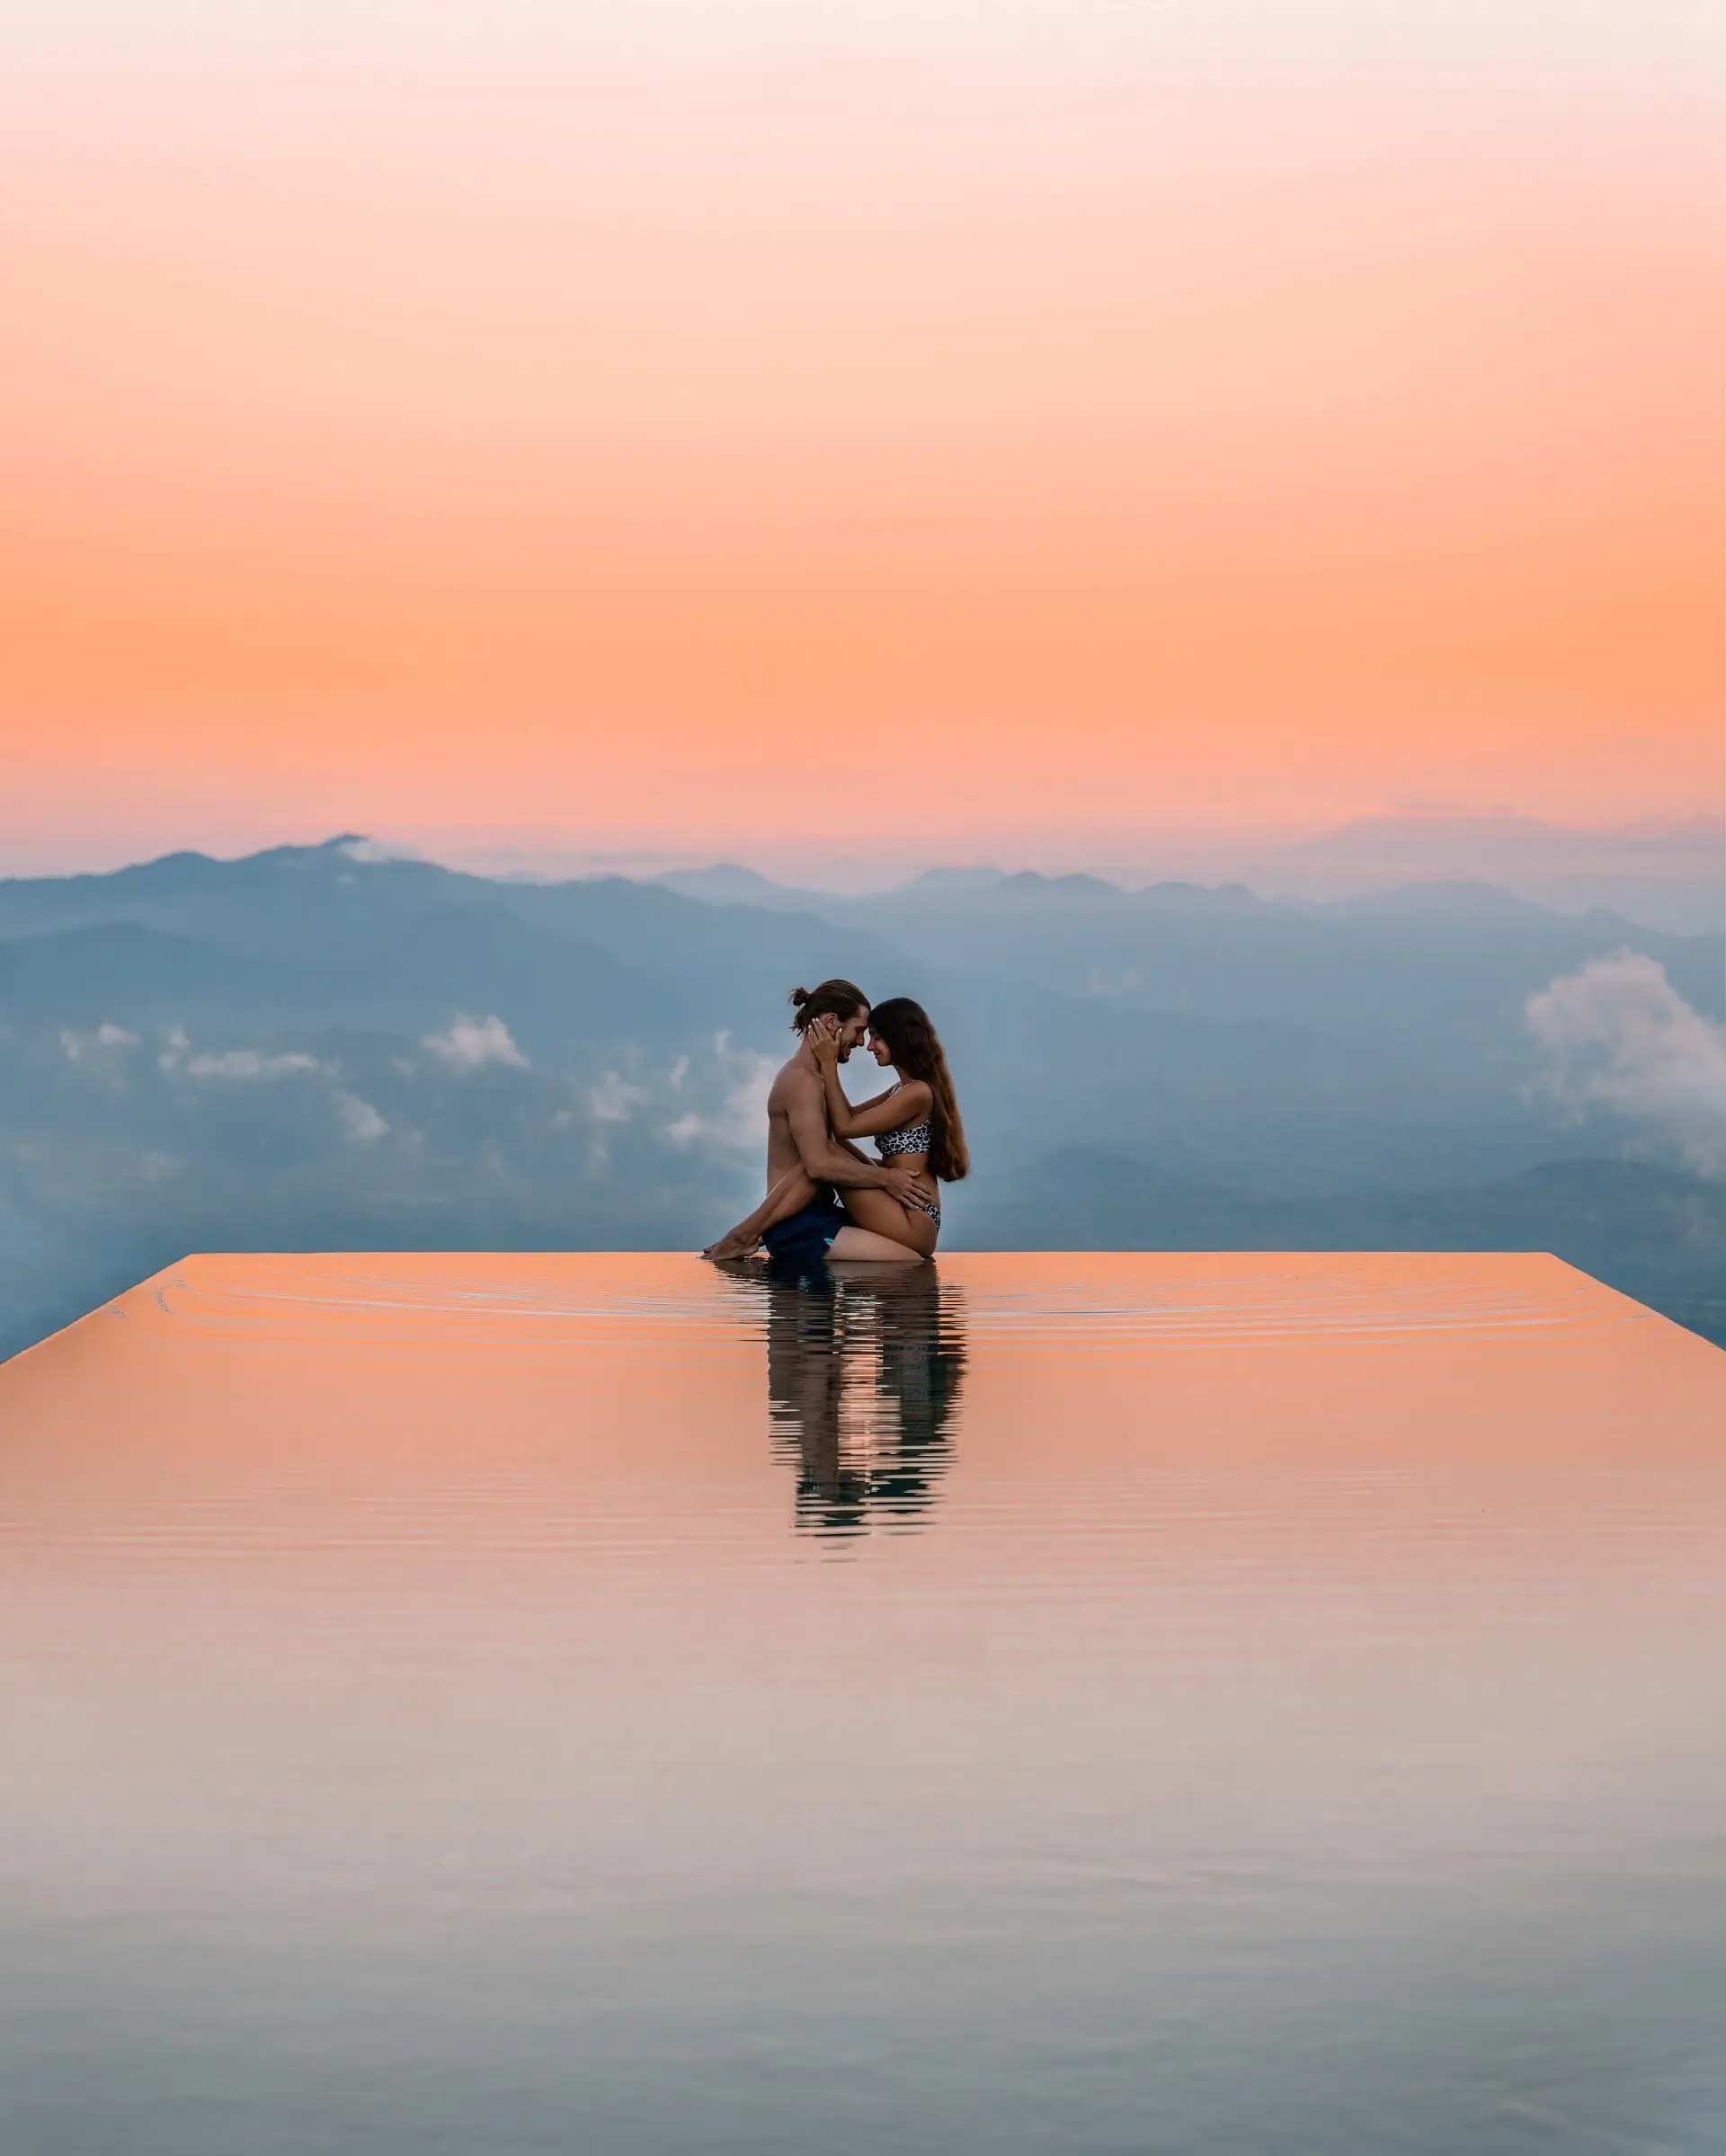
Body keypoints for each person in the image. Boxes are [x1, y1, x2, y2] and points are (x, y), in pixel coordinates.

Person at [704, 989, 968, 1265]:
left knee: (823, 1157)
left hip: (913, 1212)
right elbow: (844, 1123)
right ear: (832, 1022)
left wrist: (829, 1064)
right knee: (824, 1155)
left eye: (875, 1036)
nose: (867, 1044)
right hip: (896, 1207)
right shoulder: (894, 1090)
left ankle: (744, 1234)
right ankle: (747, 1234)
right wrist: (886, 1177)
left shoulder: (916, 1093)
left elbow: (843, 1127)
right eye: (862, 1032)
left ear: (898, 1038)